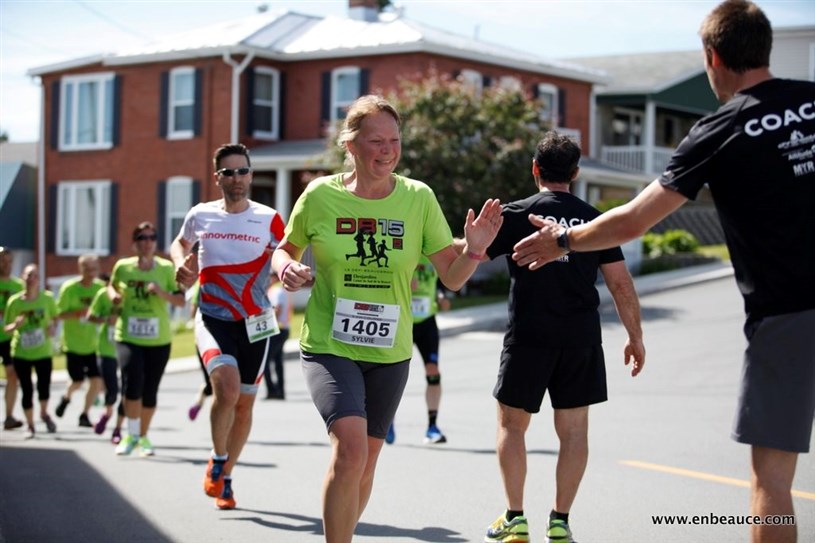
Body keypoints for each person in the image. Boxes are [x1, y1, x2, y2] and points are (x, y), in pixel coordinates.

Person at [510, 3, 814, 542]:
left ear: (713, 57)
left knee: (771, 479)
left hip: (789, 316)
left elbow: (632, 220)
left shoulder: (719, 129)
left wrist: (564, 240)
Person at [271, 94, 502, 543]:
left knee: (367, 460)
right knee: (351, 449)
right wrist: (287, 268)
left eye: (394, 140)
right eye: (376, 141)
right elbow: (284, 248)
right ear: (350, 145)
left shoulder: (418, 198)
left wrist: (474, 250)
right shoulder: (320, 195)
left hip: (389, 350)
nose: (387, 150)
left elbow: (452, 277)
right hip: (330, 344)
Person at [481, 131, 645, 543]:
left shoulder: (516, 214)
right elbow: (621, 284)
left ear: (535, 169)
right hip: (581, 338)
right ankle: (560, 522)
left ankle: (515, 518)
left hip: (529, 335)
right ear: (575, 173)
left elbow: (468, 254)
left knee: (512, 426)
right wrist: (635, 336)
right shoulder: (595, 220)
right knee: (573, 432)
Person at [171, 143, 287, 510]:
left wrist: (289, 270)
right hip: (213, 317)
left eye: (243, 171)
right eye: (229, 172)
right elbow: (179, 243)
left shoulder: (269, 218)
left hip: (256, 321)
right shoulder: (201, 214)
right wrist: (180, 264)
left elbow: (286, 253)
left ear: (251, 175)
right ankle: (218, 457)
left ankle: (226, 476)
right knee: (226, 387)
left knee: (244, 406)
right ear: (217, 177)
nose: (236, 178)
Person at [110, 222, 185, 457]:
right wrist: (114, 297)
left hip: (158, 339)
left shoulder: (166, 268)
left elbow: (180, 300)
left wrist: (161, 292)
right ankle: (131, 434)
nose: (147, 242)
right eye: (142, 237)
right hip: (128, 335)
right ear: (135, 242)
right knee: (132, 384)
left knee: (150, 390)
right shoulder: (123, 267)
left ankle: (143, 436)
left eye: (152, 237)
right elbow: (111, 286)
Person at [386, 255, 451, 445]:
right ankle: (387, 421)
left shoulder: (434, 255)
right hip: (401, 321)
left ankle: (432, 427)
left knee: (433, 371)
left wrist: (441, 296)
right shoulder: (406, 253)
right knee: (390, 373)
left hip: (427, 323)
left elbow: (440, 281)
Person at [3, 264, 59, 438]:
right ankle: (30, 425)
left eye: (34, 276)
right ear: (22, 277)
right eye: (28, 275)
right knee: (26, 389)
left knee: (44, 387)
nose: (31, 279)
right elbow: (6, 328)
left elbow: (55, 318)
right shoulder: (15, 302)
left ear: (39, 279)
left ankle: (43, 413)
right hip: (21, 352)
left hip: (43, 351)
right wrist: (16, 325)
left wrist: (52, 328)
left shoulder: (47, 299)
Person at [54, 254, 105, 428]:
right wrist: (78, 313)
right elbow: (59, 314)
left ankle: (85, 414)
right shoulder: (69, 288)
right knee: (77, 381)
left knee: (96, 381)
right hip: (73, 344)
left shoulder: (100, 288)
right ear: (80, 269)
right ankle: (66, 398)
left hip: (93, 344)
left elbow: (105, 311)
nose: (90, 272)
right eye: (87, 269)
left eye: (93, 269)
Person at [87, 272, 125, 443]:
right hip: (106, 349)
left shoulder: (131, 294)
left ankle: (118, 429)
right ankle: (107, 414)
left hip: (127, 347)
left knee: (128, 391)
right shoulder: (103, 295)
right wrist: (106, 319)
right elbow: (90, 316)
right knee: (112, 390)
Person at [0, 246, 25, 430]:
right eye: (2, 260)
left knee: (12, 374)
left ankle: (9, 416)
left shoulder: (18, 286)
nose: (6, 264)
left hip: (8, 337)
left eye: (9, 261)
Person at [185, 280, 213, 421]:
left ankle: (199, 401)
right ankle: (199, 402)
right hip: (206, 338)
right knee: (213, 383)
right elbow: (193, 310)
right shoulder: (202, 282)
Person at [263, 272, 292, 400]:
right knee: (277, 360)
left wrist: (268, 326)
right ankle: (280, 391)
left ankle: (272, 390)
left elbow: (277, 309)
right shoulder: (281, 289)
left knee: (265, 361)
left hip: (277, 329)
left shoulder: (276, 290)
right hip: (283, 328)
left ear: (274, 277)